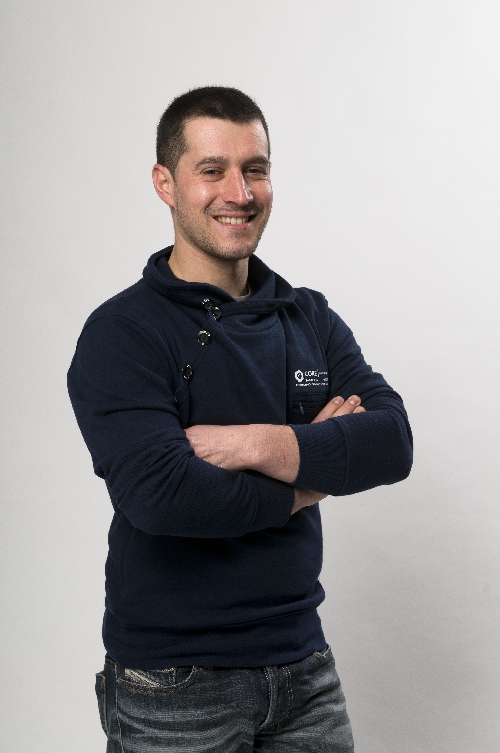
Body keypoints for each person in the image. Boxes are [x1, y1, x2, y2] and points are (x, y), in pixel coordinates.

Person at [68, 86, 412, 753]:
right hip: (173, 680)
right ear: (165, 184)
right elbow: (164, 495)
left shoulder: (307, 316)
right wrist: (314, 474)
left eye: (256, 168)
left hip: (304, 668)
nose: (241, 192)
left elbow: (391, 441)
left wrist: (257, 443)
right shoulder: (124, 332)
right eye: (213, 170)